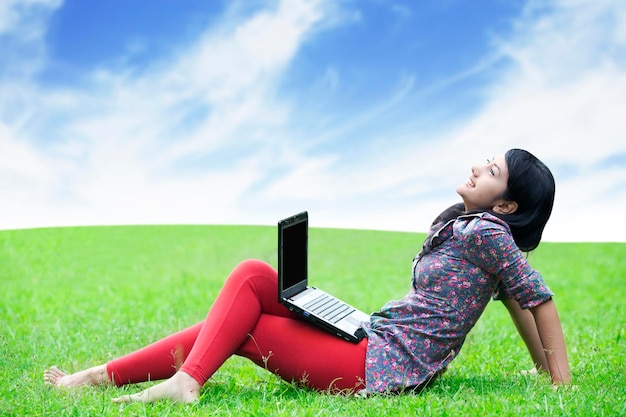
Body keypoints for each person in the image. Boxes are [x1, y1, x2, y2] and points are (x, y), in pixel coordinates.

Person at [44, 149, 571, 403]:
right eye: (487, 160)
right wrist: (542, 372)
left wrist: (560, 382)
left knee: (248, 303)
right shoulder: (472, 231)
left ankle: (178, 382)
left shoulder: (486, 233)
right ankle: (102, 376)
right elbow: (515, 298)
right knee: (254, 286)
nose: (479, 166)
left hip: (376, 367)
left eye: (493, 171)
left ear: (505, 205)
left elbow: (538, 301)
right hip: (373, 337)